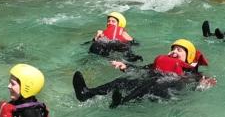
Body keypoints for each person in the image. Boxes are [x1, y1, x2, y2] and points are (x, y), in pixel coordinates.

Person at [72, 39, 214, 107]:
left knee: (153, 83)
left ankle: (122, 102)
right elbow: (142, 69)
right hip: (151, 81)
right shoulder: (158, 64)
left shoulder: (191, 73)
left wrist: (204, 84)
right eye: (173, 49)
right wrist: (125, 66)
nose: (174, 52)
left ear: (188, 57)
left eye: (179, 50)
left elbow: (199, 81)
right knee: (125, 80)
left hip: (166, 89)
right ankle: (87, 93)